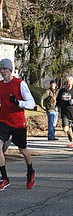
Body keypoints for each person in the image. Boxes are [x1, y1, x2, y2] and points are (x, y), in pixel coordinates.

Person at [0, 58, 36, 191]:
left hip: (17, 122)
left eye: (4, 69)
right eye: (1, 69)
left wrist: (18, 102)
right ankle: (4, 178)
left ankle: (30, 170)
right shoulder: (0, 85)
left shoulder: (20, 84)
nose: (2, 71)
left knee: (22, 150)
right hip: (3, 121)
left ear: (10, 70)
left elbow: (31, 103)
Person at [56, 75, 73, 149]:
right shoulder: (62, 91)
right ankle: (68, 133)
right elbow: (58, 100)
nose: (68, 86)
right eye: (67, 84)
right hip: (64, 113)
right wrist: (57, 106)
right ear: (65, 83)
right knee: (65, 128)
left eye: (70, 84)